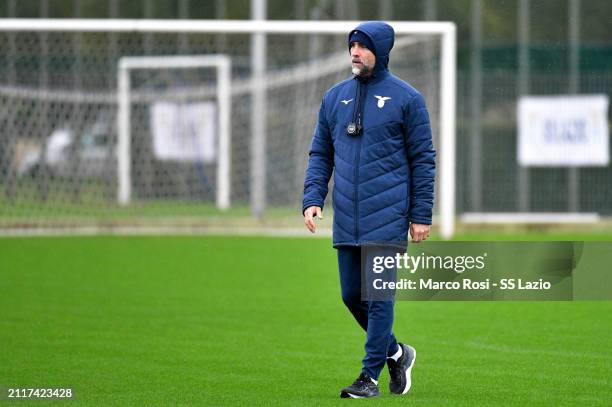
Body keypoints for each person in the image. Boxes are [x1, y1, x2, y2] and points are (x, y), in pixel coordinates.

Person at [302, 21, 436, 398]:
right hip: (347, 215)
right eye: (352, 46)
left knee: (378, 298)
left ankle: (368, 378)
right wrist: (313, 198)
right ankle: (396, 352)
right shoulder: (334, 98)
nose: (355, 53)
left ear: (381, 51)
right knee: (351, 296)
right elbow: (320, 153)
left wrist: (421, 214)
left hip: (389, 215)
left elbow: (423, 159)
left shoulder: (407, 99)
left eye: (363, 47)